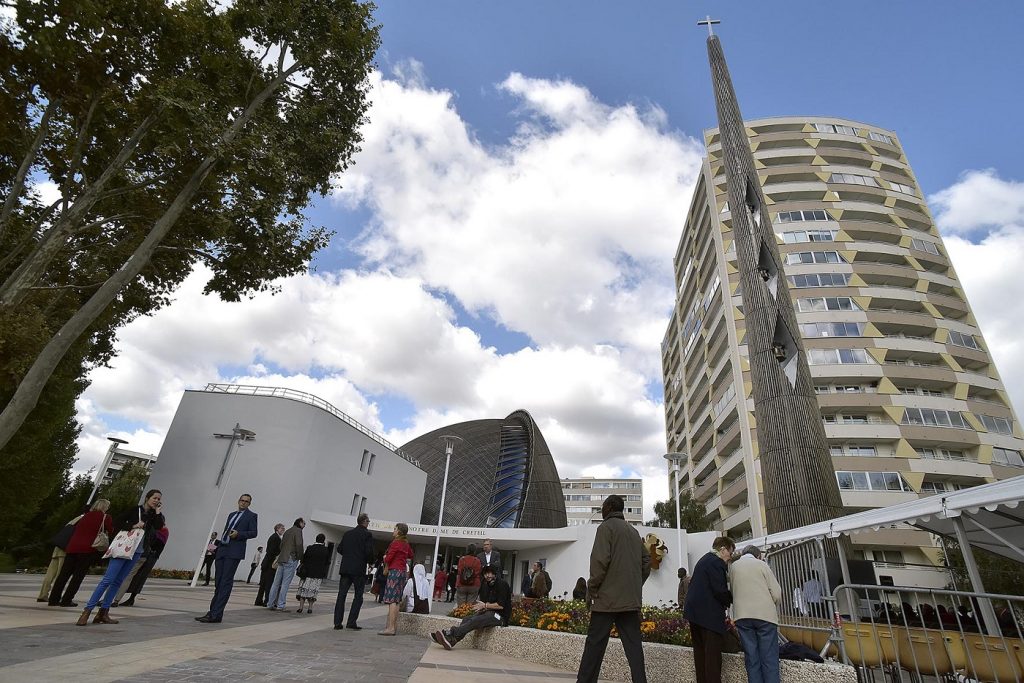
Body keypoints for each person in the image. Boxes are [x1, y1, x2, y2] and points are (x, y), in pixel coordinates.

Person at [576, 494, 651, 683]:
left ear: (609, 507)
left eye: (602, 506)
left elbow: (600, 562)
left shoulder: (605, 528)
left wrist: (592, 589)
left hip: (606, 601)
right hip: (630, 601)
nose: (601, 510)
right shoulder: (633, 532)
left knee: (594, 646)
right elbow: (646, 562)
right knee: (634, 648)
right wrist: (635, 584)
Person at [77, 490, 165, 626]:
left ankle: (103, 612)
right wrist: (133, 525)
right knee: (107, 580)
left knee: (118, 581)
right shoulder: (135, 510)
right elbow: (117, 523)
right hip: (123, 548)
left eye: (158, 499)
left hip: (137, 551)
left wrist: (158, 511)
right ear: (147, 498)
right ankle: (87, 611)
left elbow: (159, 527)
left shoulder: (153, 516)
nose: (156, 500)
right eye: (154, 498)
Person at [196, 493, 258, 623]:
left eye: (247, 501)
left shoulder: (251, 516)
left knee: (225, 582)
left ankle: (216, 614)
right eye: (242, 500)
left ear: (249, 504)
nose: (243, 503)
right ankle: (213, 612)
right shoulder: (232, 515)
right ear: (238, 501)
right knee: (218, 582)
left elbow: (254, 533)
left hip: (234, 551)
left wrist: (239, 534)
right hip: (222, 549)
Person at [683, 536, 735, 683]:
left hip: (695, 614)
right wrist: (732, 599)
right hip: (708, 616)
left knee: (700, 655)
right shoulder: (716, 562)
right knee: (712, 657)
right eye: (730, 553)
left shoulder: (704, 559)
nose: (729, 558)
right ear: (723, 549)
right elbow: (719, 590)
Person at [729, 546, 782, 683]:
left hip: (742, 616)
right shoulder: (761, 565)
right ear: (758, 555)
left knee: (752, 659)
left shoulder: (734, 567)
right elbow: (776, 593)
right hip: (765, 616)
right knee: (769, 658)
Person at [49, 499, 114, 607]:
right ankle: (66, 600)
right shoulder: (105, 517)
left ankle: (53, 599)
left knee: (63, 575)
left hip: (72, 547)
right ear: (105, 507)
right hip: (87, 549)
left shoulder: (85, 516)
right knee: (77, 577)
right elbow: (111, 530)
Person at [432, 564, 512, 650]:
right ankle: (452, 641)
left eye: (489, 573)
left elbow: (500, 606)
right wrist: (483, 606)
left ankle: (451, 632)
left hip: (500, 617)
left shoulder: (502, 584)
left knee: (476, 620)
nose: (487, 576)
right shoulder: (486, 585)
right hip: (489, 612)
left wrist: (485, 605)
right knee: (466, 619)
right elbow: (487, 602)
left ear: (494, 573)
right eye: (485, 573)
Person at [335, 512, 375, 630]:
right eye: (368, 521)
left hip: (346, 568)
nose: (369, 523)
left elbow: (340, 548)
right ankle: (351, 622)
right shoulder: (367, 535)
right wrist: (370, 562)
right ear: (365, 522)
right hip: (358, 569)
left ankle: (337, 622)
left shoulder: (348, 534)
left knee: (341, 595)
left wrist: (349, 556)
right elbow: (369, 552)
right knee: (358, 596)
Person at [38, 509, 85, 602]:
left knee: (50, 574)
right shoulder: (84, 520)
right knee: (60, 575)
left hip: (58, 547)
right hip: (66, 549)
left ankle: (42, 594)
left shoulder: (75, 519)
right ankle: (55, 596)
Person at [118, 525, 169, 607]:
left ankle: (131, 598)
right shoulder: (154, 529)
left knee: (141, 577)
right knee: (134, 576)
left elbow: (156, 543)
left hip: (151, 556)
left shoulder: (163, 531)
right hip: (144, 554)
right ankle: (127, 597)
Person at [377, 522, 413, 636]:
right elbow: (411, 555)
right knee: (396, 600)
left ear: (399, 532)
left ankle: (390, 628)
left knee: (391, 600)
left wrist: (385, 557)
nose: (393, 531)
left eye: (395, 529)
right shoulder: (406, 543)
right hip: (402, 572)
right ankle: (393, 626)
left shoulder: (395, 543)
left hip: (394, 572)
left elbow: (389, 558)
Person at [267, 518, 305, 612]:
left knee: (276, 583)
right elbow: (299, 545)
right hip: (291, 558)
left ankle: (270, 603)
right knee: (285, 583)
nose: (304, 526)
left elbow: (281, 545)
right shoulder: (298, 531)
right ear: (300, 523)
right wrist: (300, 557)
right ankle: (281, 605)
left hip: (282, 558)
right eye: (304, 524)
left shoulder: (287, 531)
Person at [295, 533, 331, 614]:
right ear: (323, 540)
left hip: (307, 573)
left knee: (303, 590)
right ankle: (310, 608)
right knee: (313, 591)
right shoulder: (325, 550)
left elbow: (304, 559)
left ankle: (300, 607)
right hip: (317, 574)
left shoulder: (310, 548)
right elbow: (327, 562)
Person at [255, 523, 285, 606]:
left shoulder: (275, 537)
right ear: (277, 529)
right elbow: (271, 551)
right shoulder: (276, 538)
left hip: (267, 563)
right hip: (269, 564)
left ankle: (259, 600)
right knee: (268, 583)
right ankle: (267, 600)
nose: (283, 530)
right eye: (282, 528)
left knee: (263, 583)